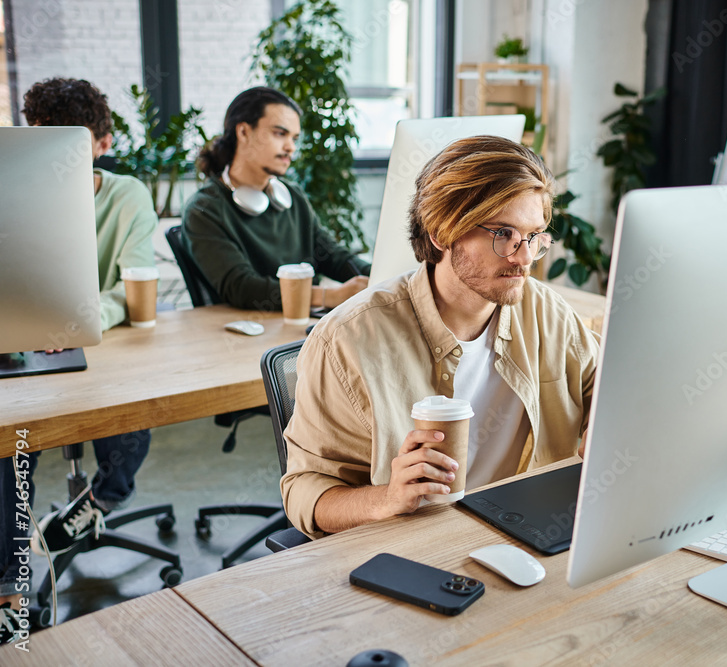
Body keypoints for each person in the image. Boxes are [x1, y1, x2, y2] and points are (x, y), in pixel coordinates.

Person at [281, 135, 600, 540]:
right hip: (414, 550)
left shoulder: (545, 312)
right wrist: (388, 498)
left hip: (529, 536)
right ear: (440, 232)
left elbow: (609, 387)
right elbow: (306, 494)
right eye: (504, 234)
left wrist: (605, 424)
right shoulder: (347, 341)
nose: (523, 258)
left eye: (534, 237)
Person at [1, 77, 158, 642]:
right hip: (17, 341)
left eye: (69, 144)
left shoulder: (126, 196)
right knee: (6, 445)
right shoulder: (9, 192)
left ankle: (102, 498)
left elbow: (132, 283)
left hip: (97, 341)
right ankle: (9, 579)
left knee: (129, 401)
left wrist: (78, 319)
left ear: (101, 144)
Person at [182, 86, 369, 311]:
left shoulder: (293, 196)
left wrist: (383, 276)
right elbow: (244, 288)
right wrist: (330, 296)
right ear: (243, 132)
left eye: (294, 138)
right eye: (280, 133)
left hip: (304, 325)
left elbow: (334, 257)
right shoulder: (204, 209)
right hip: (250, 334)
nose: (290, 147)